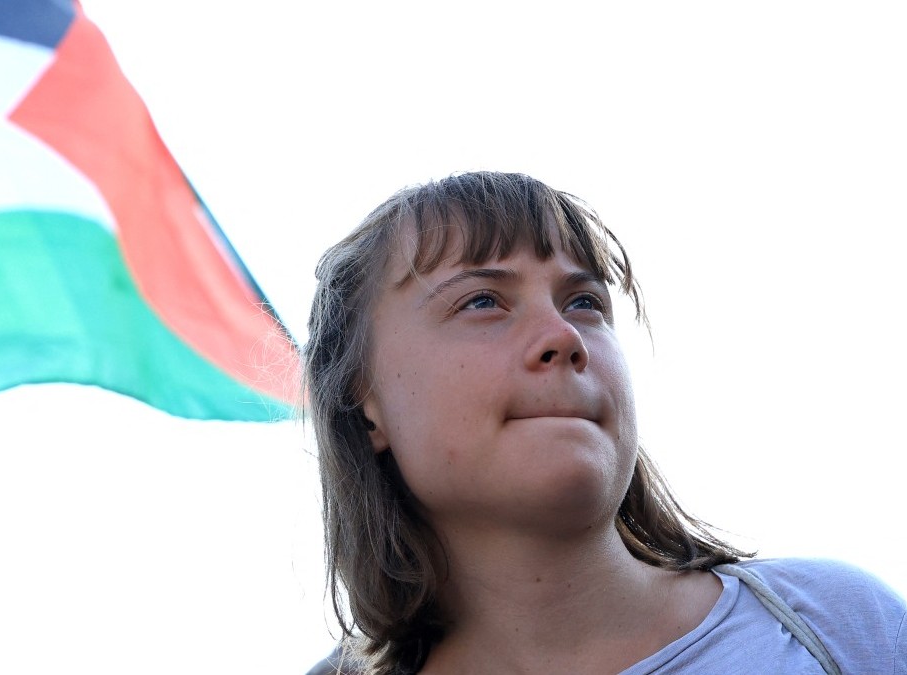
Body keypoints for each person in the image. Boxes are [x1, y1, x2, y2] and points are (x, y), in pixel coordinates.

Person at [302, 172, 906, 674]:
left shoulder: (839, 627)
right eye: (483, 300)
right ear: (364, 402)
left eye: (584, 302)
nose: (563, 337)